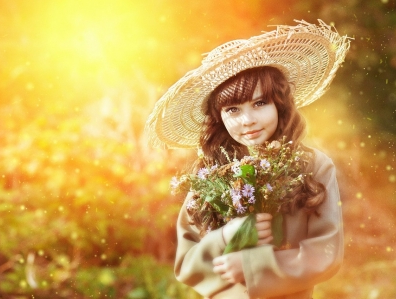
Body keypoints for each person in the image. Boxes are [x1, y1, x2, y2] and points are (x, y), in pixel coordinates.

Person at [145, 20, 351, 299]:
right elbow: (187, 263)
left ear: (280, 103)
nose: (248, 121)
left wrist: (253, 266)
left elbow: (326, 251)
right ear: (219, 118)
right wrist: (226, 237)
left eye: (260, 103)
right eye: (232, 109)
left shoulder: (313, 166)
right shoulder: (209, 174)